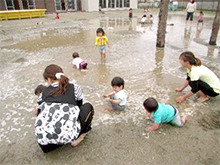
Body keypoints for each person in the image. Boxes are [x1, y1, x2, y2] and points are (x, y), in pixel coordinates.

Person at [34, 64, 94, 153]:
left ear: (49, 79)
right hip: (68, 137)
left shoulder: (43, 92)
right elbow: (79, 107)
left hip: (45, 144)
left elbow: (39, 113)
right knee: (88, 107)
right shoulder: (74, 88)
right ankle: (78, 137)